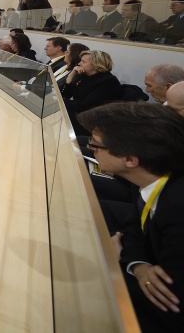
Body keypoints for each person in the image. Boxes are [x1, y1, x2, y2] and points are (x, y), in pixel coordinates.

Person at [78, 102, 184, 332]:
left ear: (130, 160)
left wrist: (117, 264)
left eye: (96, 146)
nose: (90, 148)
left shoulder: (177, 210)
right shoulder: (151, 178)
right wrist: (137, 265)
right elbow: (133, 228)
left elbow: (169, 299)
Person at [60, 50, 122, 135]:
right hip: (78, 114)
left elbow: (84, 106)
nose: (79, 64)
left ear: (96, 65)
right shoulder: (84, 76)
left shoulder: (108, 81)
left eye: (83, 62)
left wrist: (59, 100)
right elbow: (65, 95)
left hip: (91, 121)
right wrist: (71, 76)